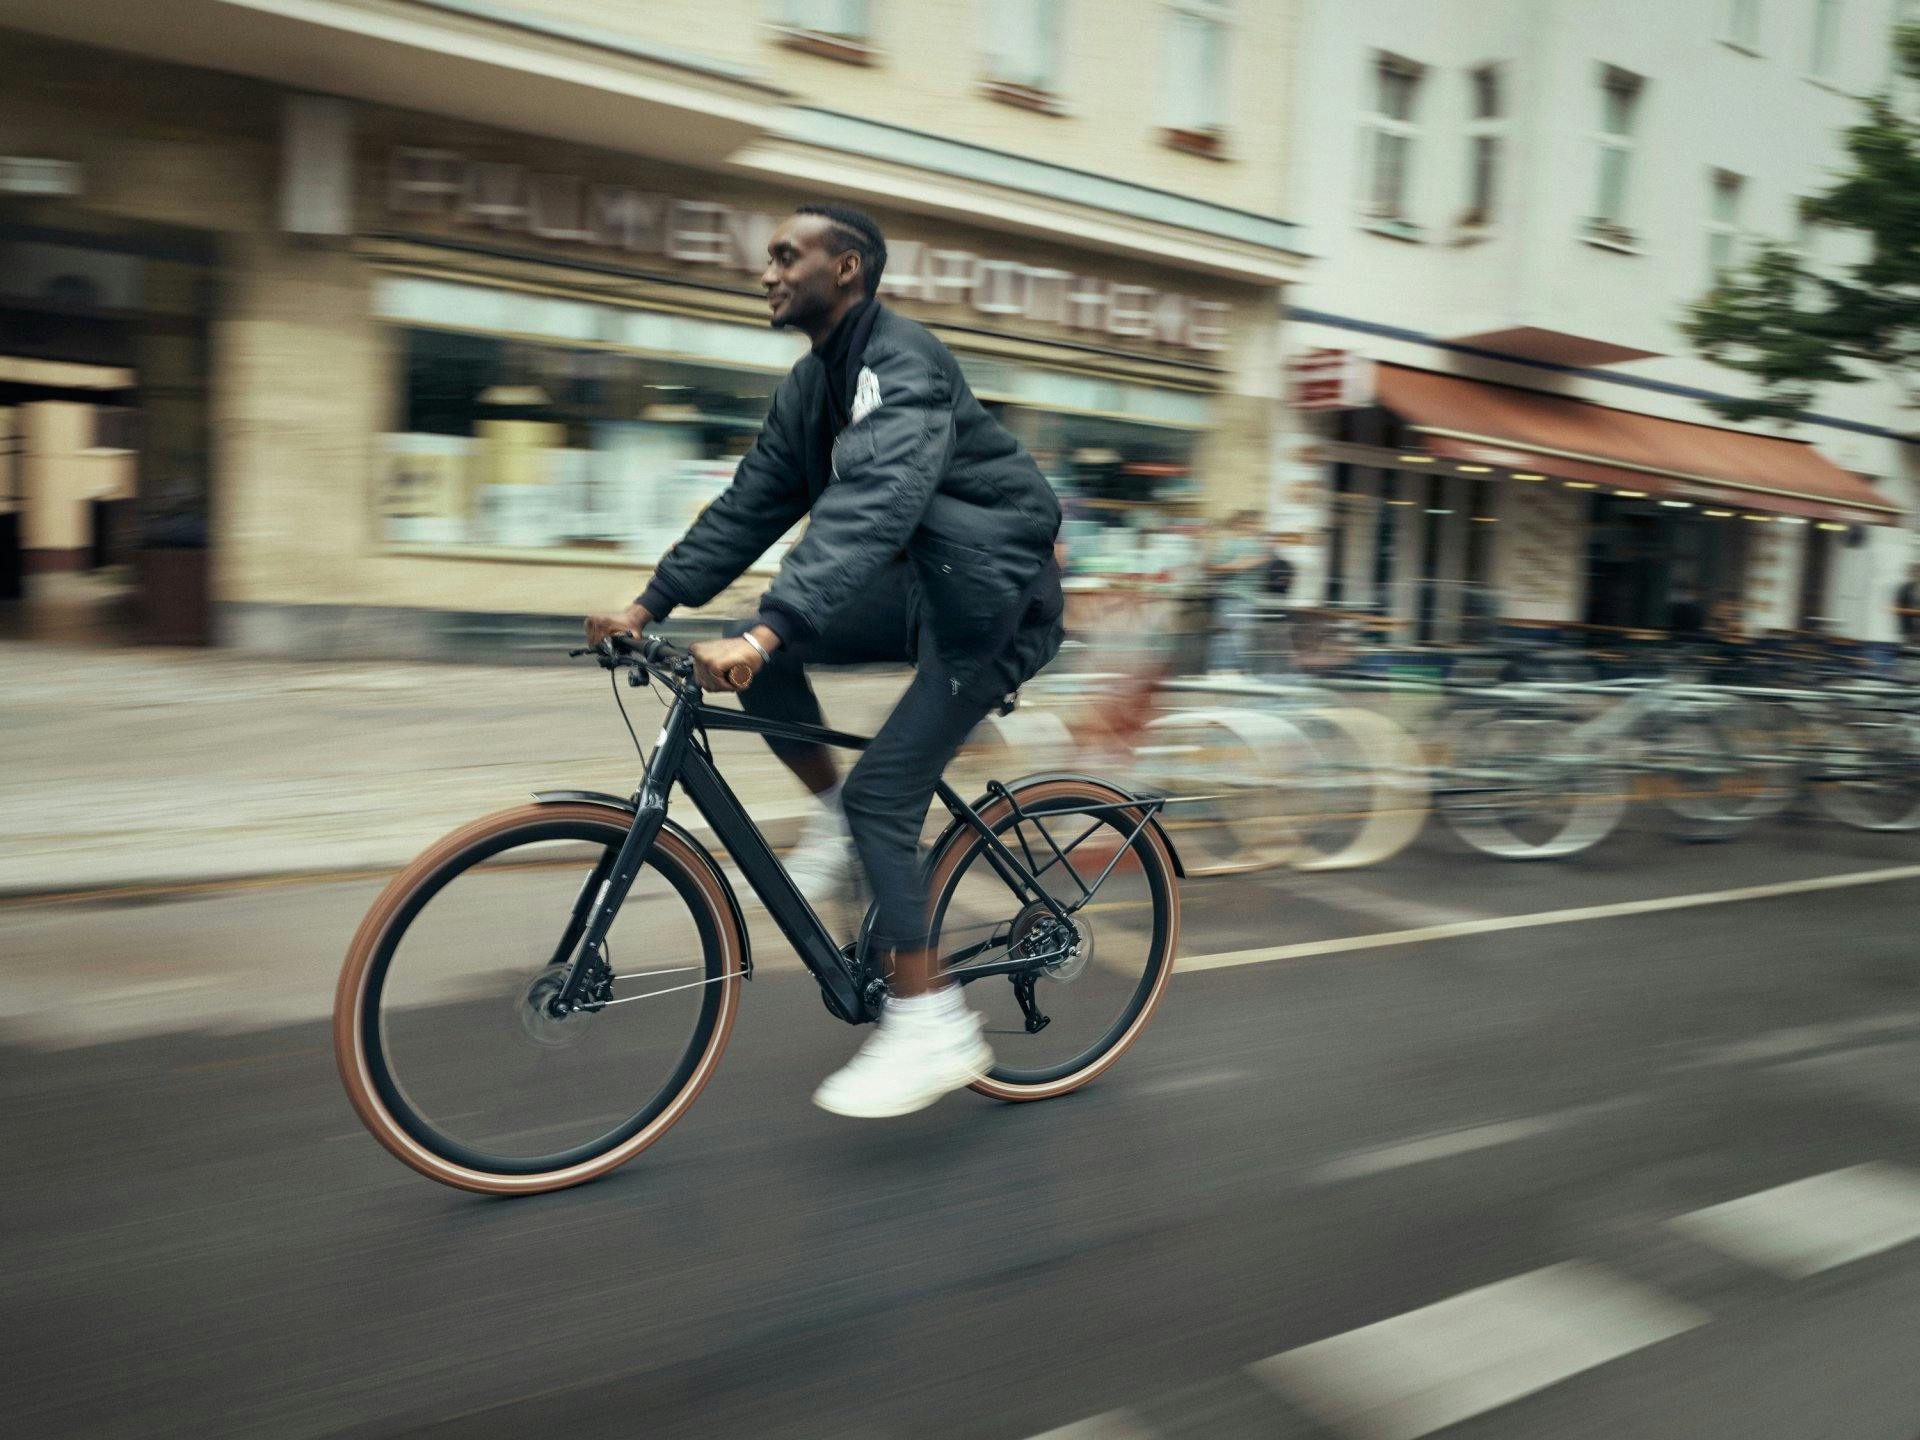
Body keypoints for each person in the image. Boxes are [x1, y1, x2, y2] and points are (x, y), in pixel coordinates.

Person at [585, 204, 1065, 1119]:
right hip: (924, 588)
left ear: (845, 269)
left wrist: (768, 629)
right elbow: (750, 505)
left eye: (785, 255)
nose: (766, 272)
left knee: (885, 787)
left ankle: (932, 1025)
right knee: (772, 661)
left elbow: (873, 503)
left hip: (992, 607)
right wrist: (648, 605)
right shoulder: (813, 386)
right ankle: (841, 818)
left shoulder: (905, 363)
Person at [1205, 509, 1266, 674]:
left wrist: (1234, 566)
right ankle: (1227, 672)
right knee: (1236, 637)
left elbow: (1211, 566)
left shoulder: (1230, 544)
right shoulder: (1249, 545)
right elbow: (1213, 567)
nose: (1256, 527)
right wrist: (1237, 565)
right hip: (1239, 597)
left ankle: (1219, 672)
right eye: (1254, 524)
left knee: (1226, 636)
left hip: (1230, 596)